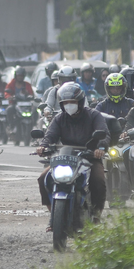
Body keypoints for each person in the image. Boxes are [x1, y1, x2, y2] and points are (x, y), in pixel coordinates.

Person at [36, 83, 110, 222]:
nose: (69, 105)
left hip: (90, 157)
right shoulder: (59, 118)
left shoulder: (94, 115)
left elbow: (104, 134)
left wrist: (100, 148)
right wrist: (43, 146)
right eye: (65, 103)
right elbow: (50, 135)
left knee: (98, 181)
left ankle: (96, 214)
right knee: (43, 178)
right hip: (65, 157)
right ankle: (53, 214)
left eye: (72, 102)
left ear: (80, 102)